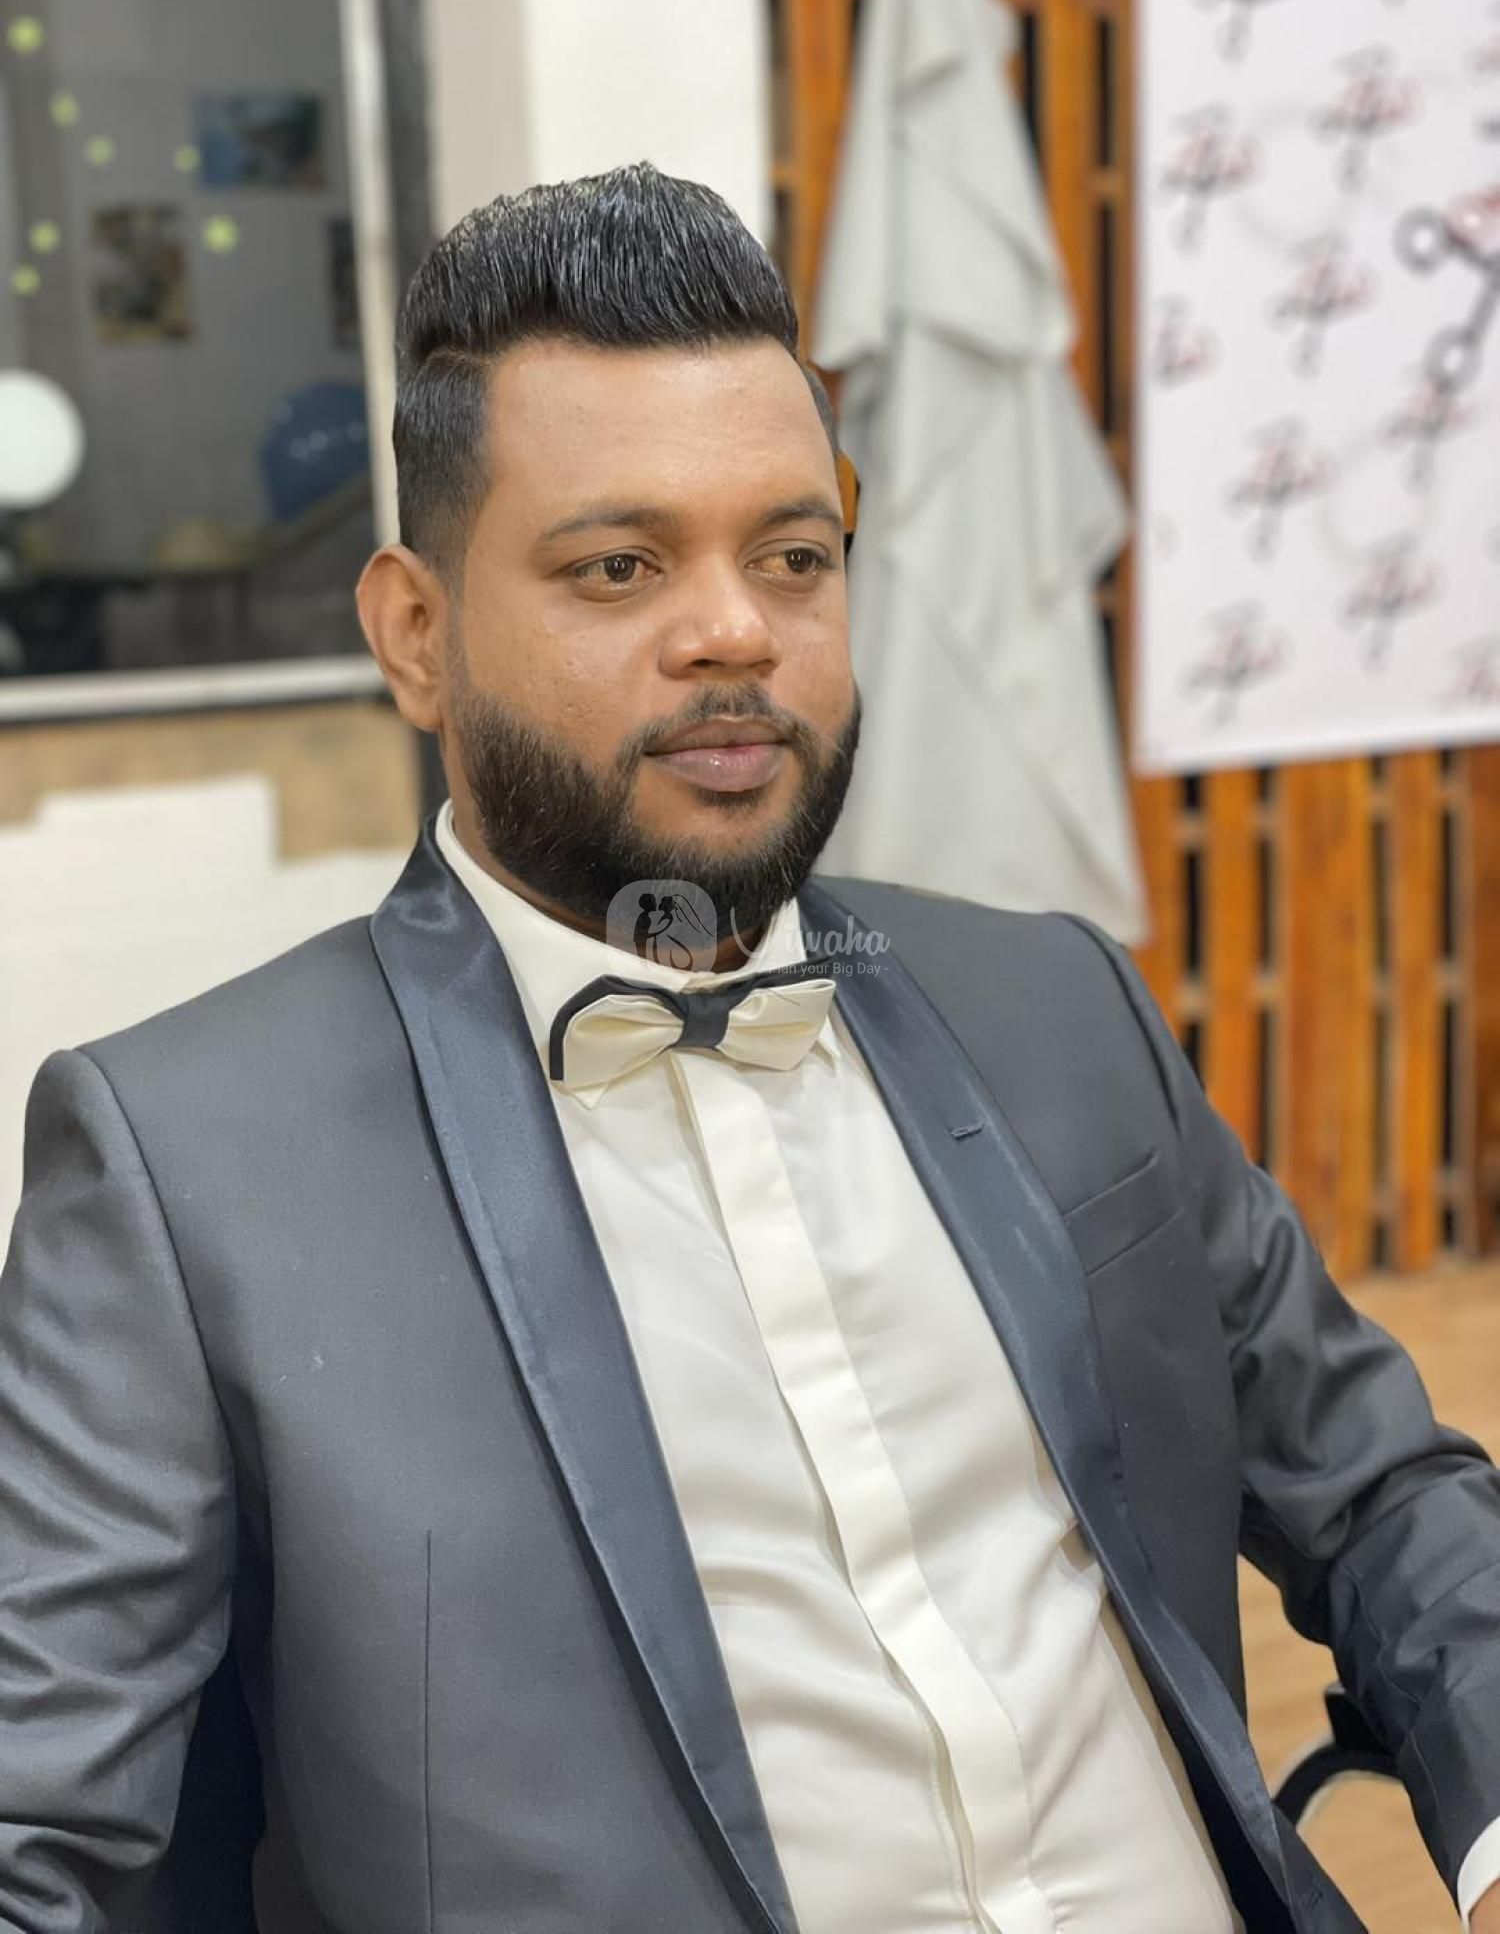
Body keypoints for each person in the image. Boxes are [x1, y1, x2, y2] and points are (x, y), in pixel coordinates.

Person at [0, 163, 1496, 1934]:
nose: (734, 631)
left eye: (793, 557)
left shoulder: (1056, 1003)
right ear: (416, 633)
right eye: (619, 567)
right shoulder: (186, 1174)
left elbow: (1387, 1492)